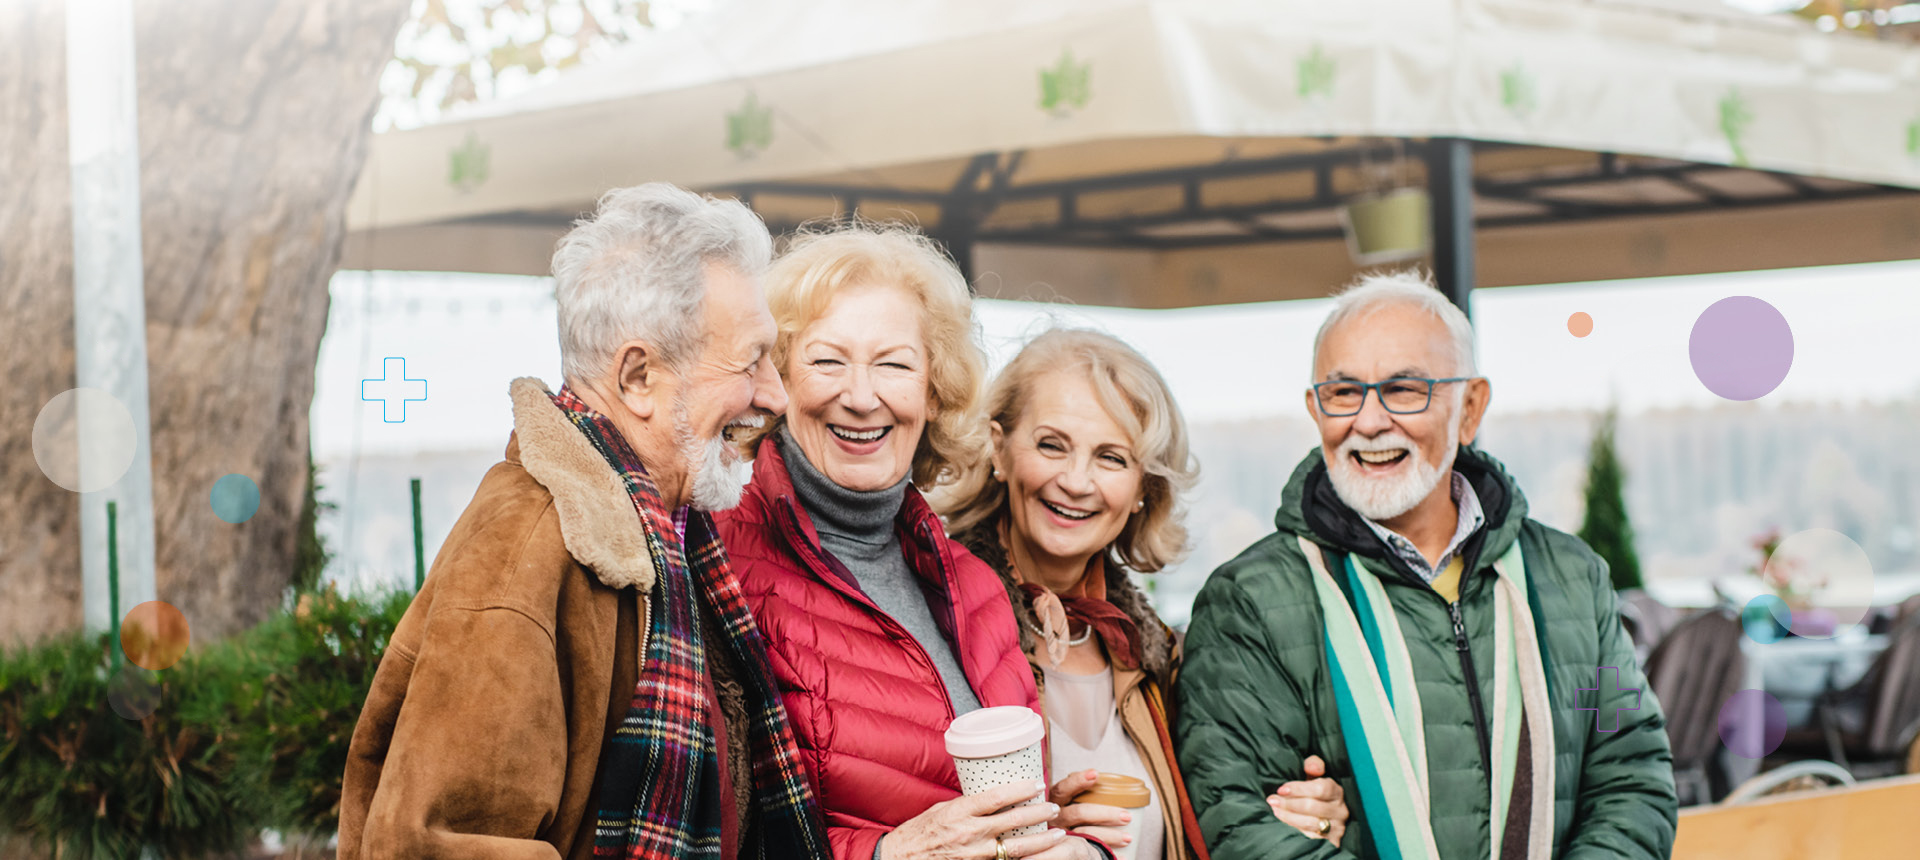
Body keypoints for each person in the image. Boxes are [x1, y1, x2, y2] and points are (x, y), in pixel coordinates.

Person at [338, 184, 830, 860]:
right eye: (751, 361)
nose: (776, 393)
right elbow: (435, 847)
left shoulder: (669, 531)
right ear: (638, 377)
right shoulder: (530, 540)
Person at [1174, 272, 1677, 860]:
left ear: (1470, 408)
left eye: (1405, 388)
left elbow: (1631, 769)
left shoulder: (1574, 580)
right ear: (1315, 410)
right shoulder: (1250, 601)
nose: (1369, 421)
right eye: (1343, 393)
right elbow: (1242, 822)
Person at [713, 224, 1104, 860]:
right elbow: (696, 833)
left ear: (933, 391)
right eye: (827, 360)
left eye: (894, 364)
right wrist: (886, 855)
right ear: (776, 380)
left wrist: (1062, 833)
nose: (862, 396)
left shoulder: (976, 584)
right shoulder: (716, 566)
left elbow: (986, 819)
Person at [938, 329, 1353, 860]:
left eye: (1111, 458)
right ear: (999, 450)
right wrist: (1027, 838)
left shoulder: (1161, 658)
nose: (1076, 481)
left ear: (1142, 490)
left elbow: (1228, 814)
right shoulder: (937, 625)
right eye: (1051, 445)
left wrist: (1308, 810)